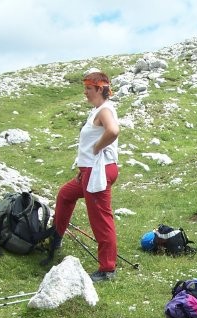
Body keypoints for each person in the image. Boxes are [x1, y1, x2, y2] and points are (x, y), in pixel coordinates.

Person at [45, 70, 120, 282]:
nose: (85, 92)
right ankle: (56, 237)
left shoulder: (104, 110)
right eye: (85, 88)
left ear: (100, 89)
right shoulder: (98, 109)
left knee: (100, 219)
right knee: (65, 194)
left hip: (98, 172)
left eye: (88, 88)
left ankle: (107, 269)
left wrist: (97, 148)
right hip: (91, 170)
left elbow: (113, 131)